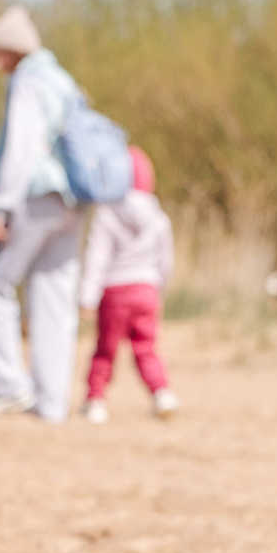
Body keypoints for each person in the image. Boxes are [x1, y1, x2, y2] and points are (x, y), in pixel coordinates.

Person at [0, 4, 87, 423]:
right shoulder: (61, 79)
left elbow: (22, 148)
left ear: (12, 50)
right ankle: (52, 403)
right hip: (72, 201)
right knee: (54, 298)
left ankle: (7, 384)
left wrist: (1, 203)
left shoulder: (27, 82)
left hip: (36, 197)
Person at [77, 145, 177, 423]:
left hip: (114, 293)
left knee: (105, 350)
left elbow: (96, 257)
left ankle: (96, 400)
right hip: (147, 290)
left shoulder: (107, 214)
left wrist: (87, 298)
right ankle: (162, 393)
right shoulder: (158, 217)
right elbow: (165, 261)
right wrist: (160, 290)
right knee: (146, 348)